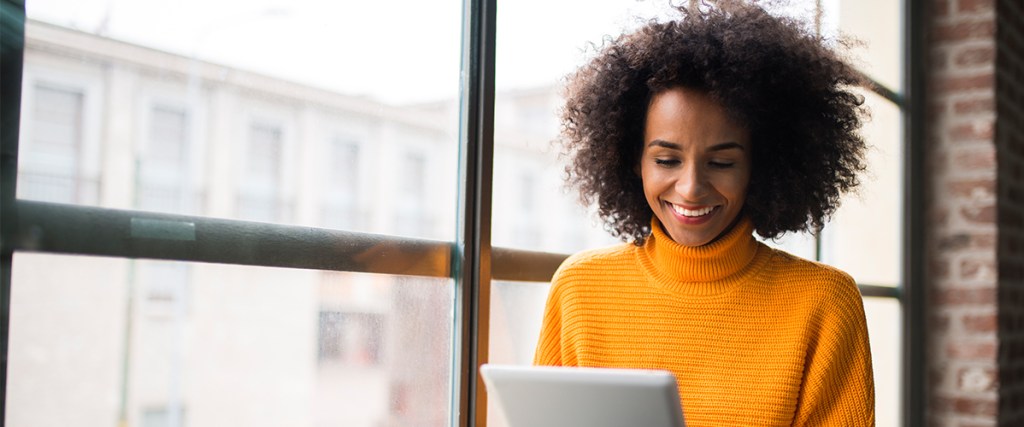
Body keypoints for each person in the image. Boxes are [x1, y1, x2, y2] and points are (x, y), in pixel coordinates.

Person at [533, 3, 875, 426]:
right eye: (666, 160)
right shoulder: (579, 288)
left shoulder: (823, 302)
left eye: (722, 163)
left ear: (762, 166)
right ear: (631, 159)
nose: (691, 187)